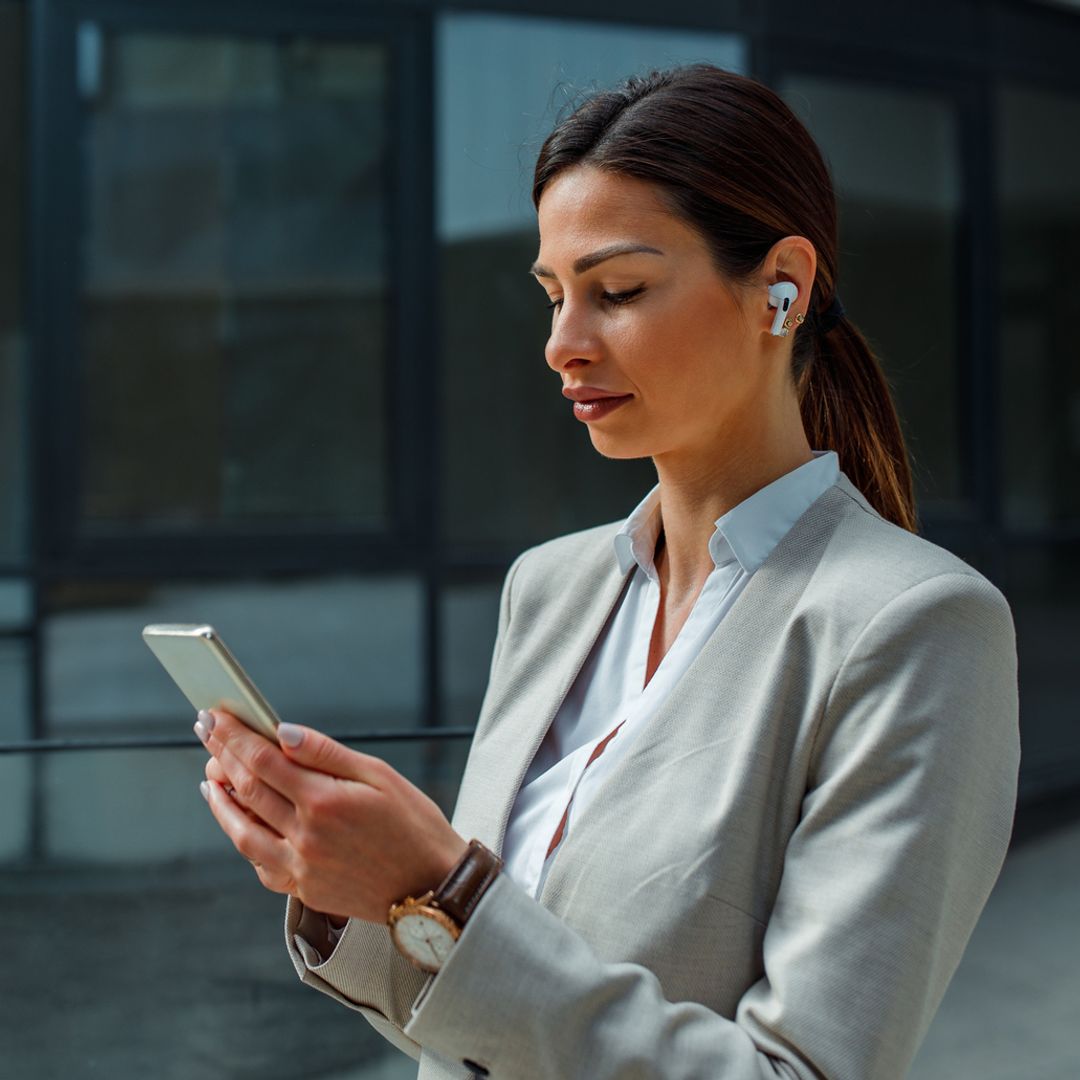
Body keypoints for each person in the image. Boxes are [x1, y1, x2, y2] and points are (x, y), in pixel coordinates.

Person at [195, 64, 1020, 1079]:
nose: (561, 345)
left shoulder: (914, 626)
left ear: (782, 287)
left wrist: (443, 889)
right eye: (552, 296)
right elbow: (478, 1023)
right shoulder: (550, 589)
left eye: (617, 291)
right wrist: (358, 894)